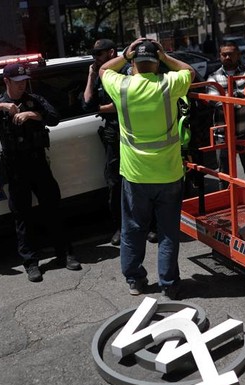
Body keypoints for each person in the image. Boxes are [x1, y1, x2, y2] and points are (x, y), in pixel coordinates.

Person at [99, 37, 195, 301]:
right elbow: (189, 70)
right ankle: (170, 283)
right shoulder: (169, 84)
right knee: (168, 232)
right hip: (169, 173)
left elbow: (103, 70)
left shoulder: (122, 86)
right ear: (155, 62)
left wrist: (125, 54)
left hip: (135, 174)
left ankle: (135, 280)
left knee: (132, 229)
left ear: (135, 63)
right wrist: (166, 57)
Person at [0, 63, 81, 283]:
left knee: (53, 209)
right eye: (18, 83)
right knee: (22, 216)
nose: (22, 86)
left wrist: (33, 114)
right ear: (7, 82)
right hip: (16, 168)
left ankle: (65, 254)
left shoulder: (34, 100)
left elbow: (54, 117)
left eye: (24, 82)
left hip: (38, 163)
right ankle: (31, 263)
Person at [83, 39, 158, 247]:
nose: (95, 58)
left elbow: (130, 100)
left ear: (111, 53)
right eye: (94, 54)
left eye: (99, 54)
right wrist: (90, 76)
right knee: (115, 185)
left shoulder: (127, 71)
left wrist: (103, 107)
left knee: (142, 182)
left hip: (132, 135)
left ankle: (151, 226)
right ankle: (120, 228)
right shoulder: (100, 75)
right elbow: (87, 104)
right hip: (112, 137)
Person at [206, 42, 245, 187]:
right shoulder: (213, 77)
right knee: (224, 175)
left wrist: (229, 97)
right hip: (223, 135)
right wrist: (241, 97)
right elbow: (214, 101)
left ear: (238, 55)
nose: (227, 57)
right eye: (224, 54)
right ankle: (228, 205)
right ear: (220, 56)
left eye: (231, 54)